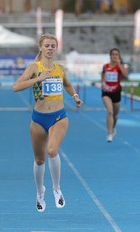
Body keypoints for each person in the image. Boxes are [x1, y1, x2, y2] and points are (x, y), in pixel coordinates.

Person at [13, 33, 83, 212]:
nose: (50, 49)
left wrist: (74, 95)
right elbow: (16, 87)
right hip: (38, 118)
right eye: (47, 46)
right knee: (39, 159)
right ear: (41, 48)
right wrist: (38, 78)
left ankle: (57, 189)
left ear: (56, 48)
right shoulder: (33, 67)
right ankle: (40, 192)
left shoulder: (60, 68)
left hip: (59, 116)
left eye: (53, 46)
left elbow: (67, 84)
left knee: (52, 151)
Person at [101, 48, 128, 142]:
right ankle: (109, 133)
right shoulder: (106, 66)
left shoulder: (120, 66)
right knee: (110, 112)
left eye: (116, 54)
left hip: (116, 92)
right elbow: (103, 77)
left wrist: (119, 64)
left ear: (119, 56)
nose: (114, 56)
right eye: (113, 54)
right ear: (110, 56)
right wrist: (103, 84)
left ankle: (113, 128)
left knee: (115, 115)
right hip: (106, 92)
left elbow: (126, 76)